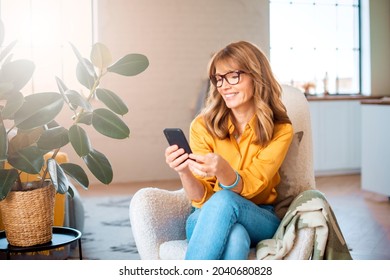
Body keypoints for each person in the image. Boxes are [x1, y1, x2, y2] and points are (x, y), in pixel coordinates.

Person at [165, 41, 293, 260]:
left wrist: (223, 170)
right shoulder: (202, 126)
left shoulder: (281, 131)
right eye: (219, 78)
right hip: (204, 216)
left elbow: (253, 185)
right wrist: (184, 171)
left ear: (256, 76)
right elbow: (200, 199)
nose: (223, 86)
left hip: (259, 216)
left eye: (233, 76)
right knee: (234, 237)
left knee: (225, 199)